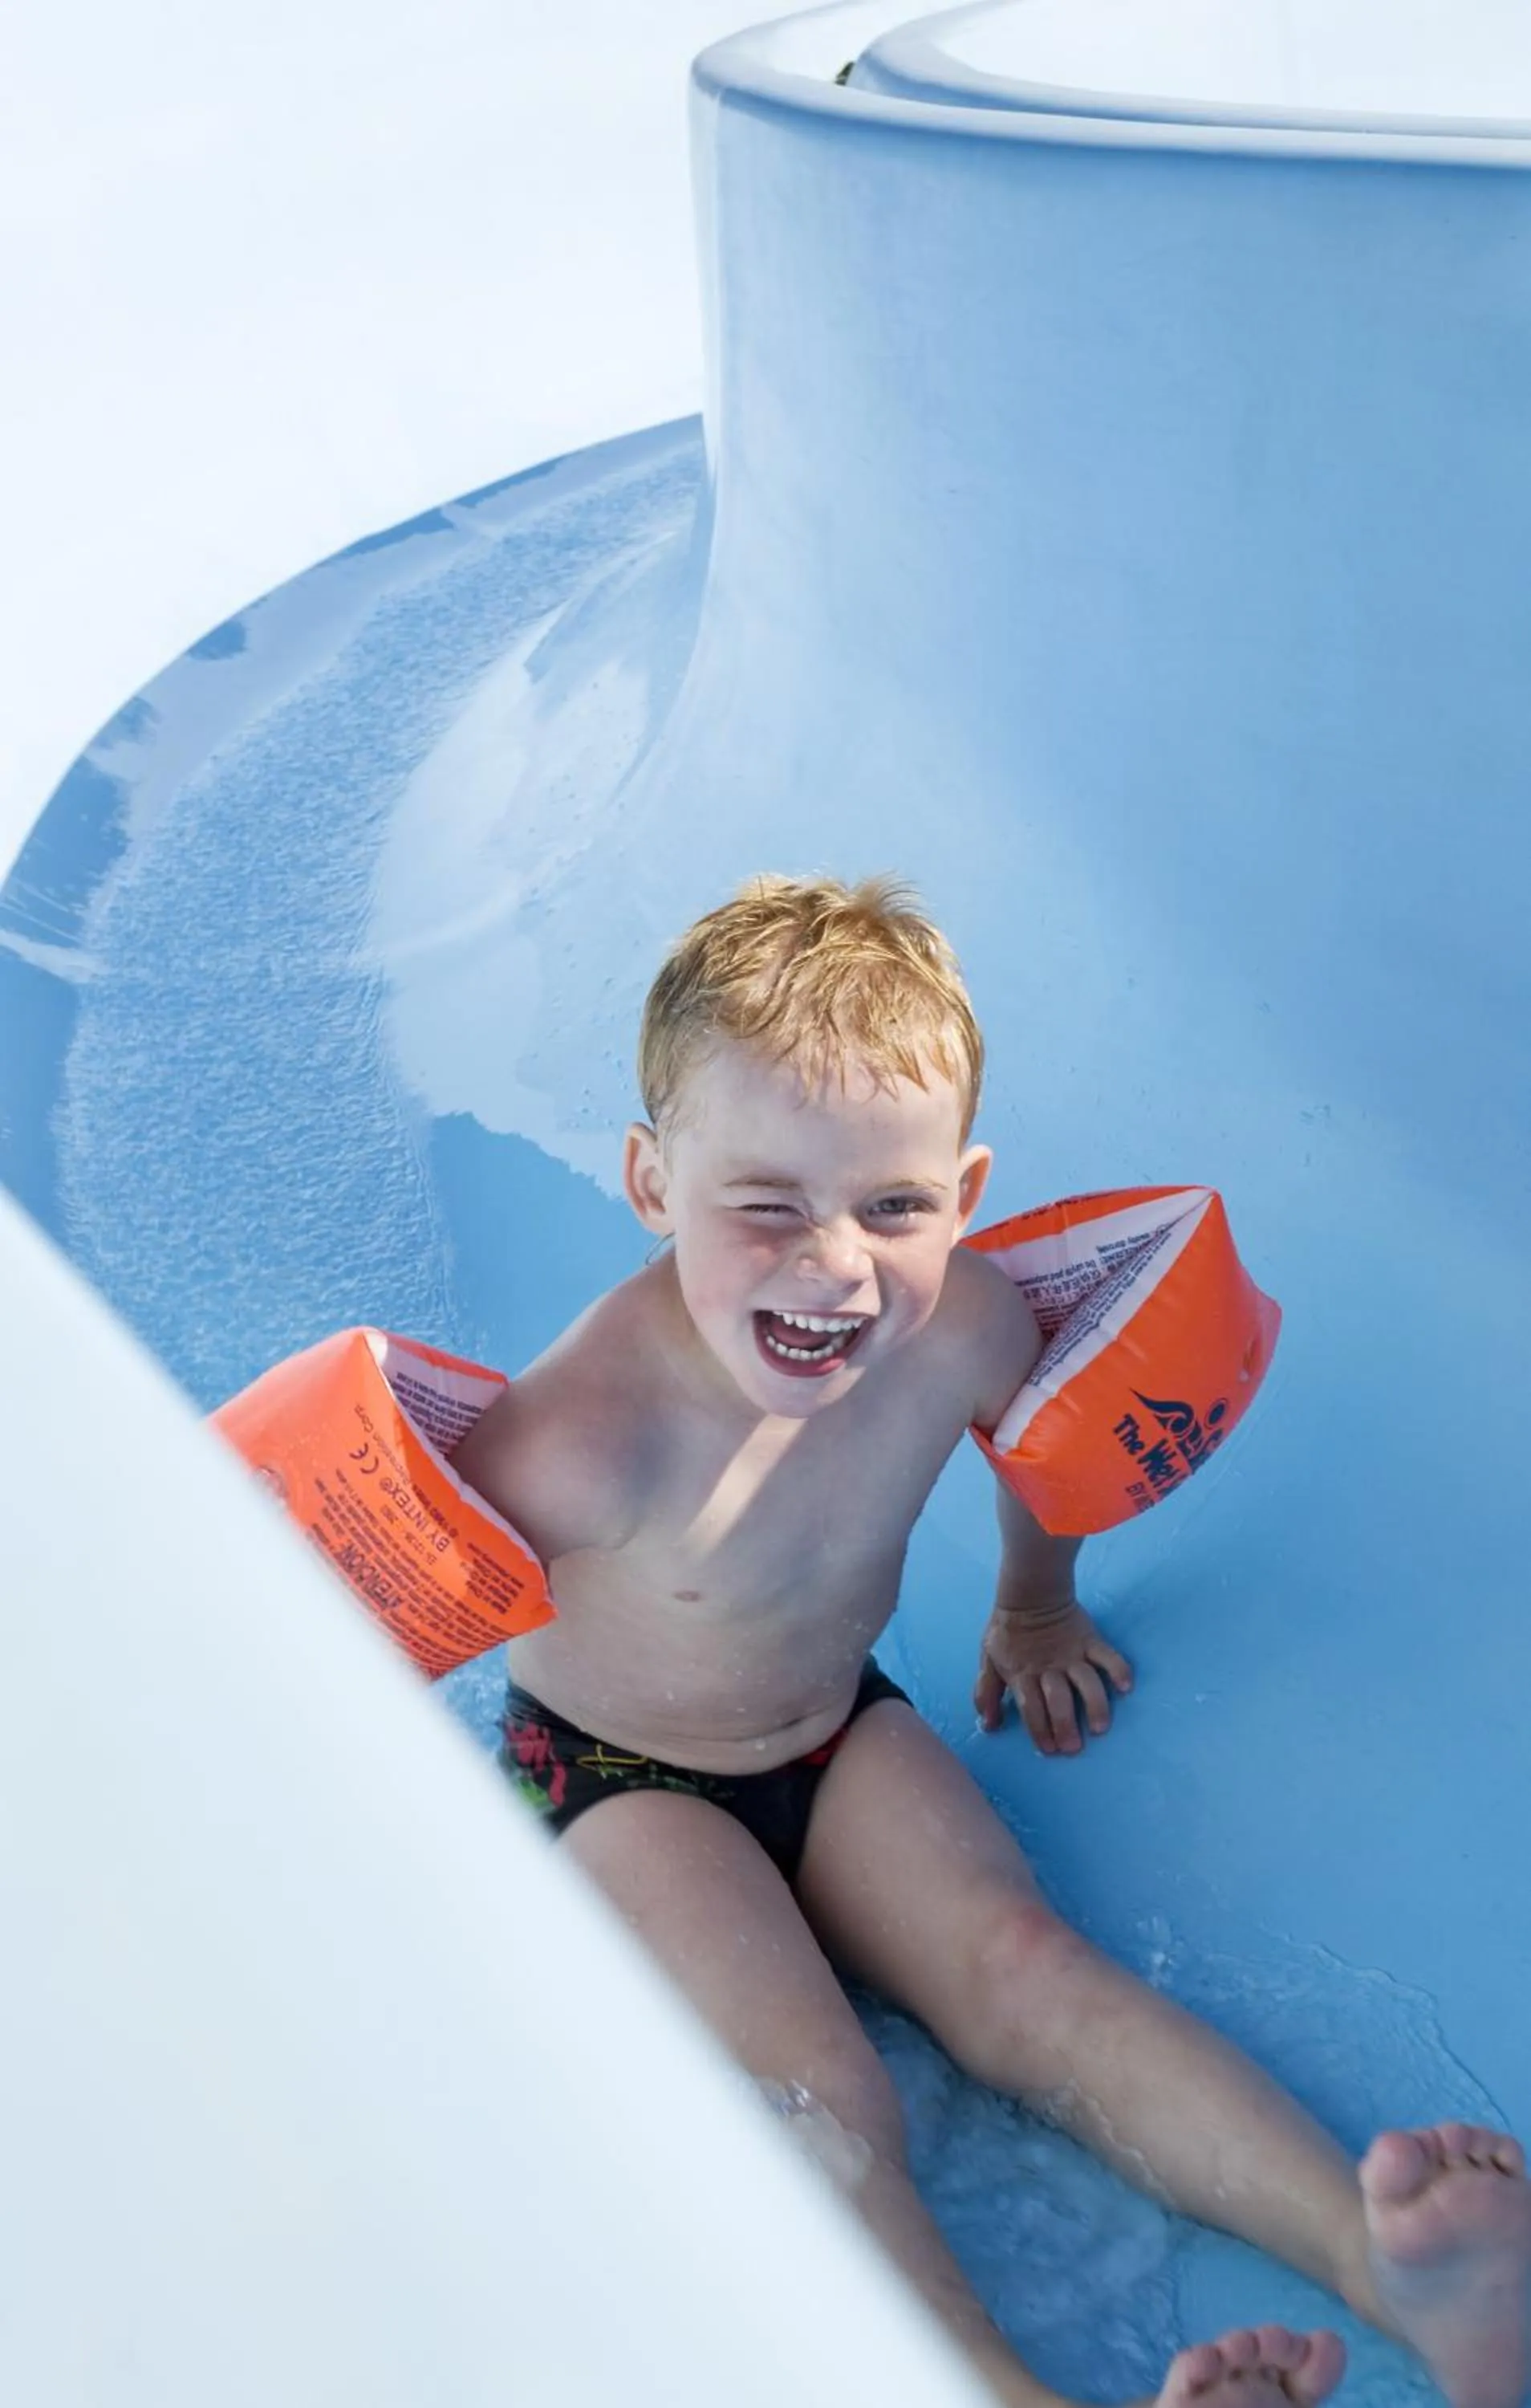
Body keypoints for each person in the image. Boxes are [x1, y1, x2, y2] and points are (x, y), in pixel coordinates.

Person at [454, 874, 1529, 2408]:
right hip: (619, 1783)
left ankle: (1398, 2270)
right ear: (649, 1179)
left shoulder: (965, 1326)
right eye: (766, 1204)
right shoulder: (574, 1438)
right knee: (816, 2098)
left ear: (963, 1191)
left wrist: (1034, 1605)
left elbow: (1053, 1459)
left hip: (838, 1726)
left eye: (892, 1207)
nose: (833, 1265)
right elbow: (382, 1612)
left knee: (1027, 1973)